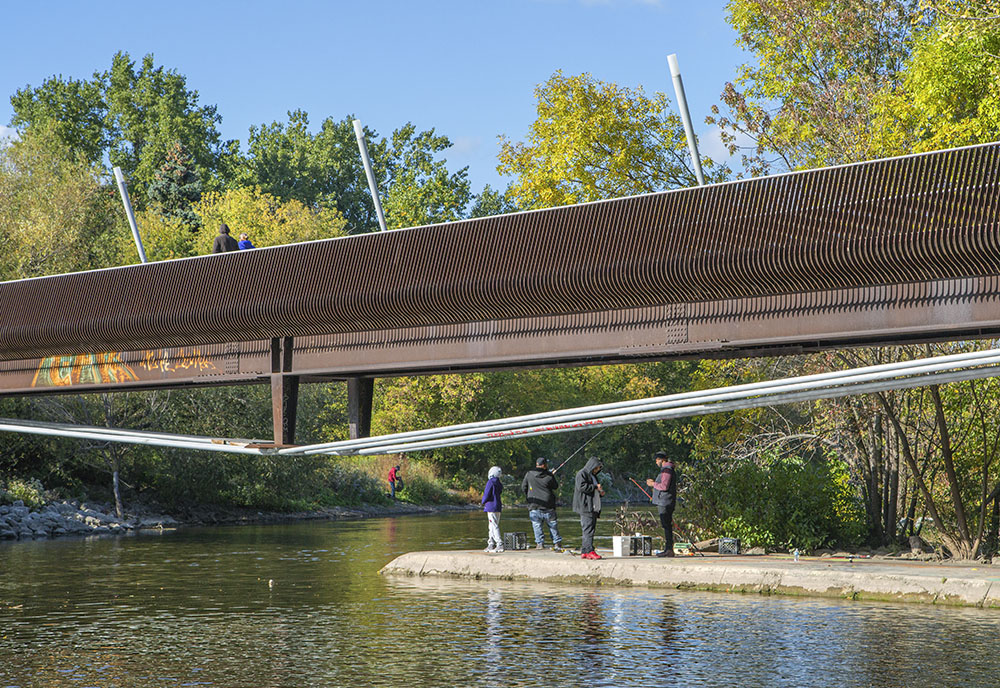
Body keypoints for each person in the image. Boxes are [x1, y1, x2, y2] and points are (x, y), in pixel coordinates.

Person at [521, 456, 563, 551]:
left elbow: (523, 487)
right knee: (552, 525)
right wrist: (551, 475)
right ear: (544, 465)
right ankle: (556, 543)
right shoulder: (549, 476)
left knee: (537, 525)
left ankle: (539, 544)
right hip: (548, 505)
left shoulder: (529, 474)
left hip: (534, 505)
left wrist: (529, 496)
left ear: (537, 464)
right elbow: (555, 486)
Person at [646, 450, 677, 558]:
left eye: (657, 460)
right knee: (666, 525)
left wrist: (653, 484)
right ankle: (668, 549)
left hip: (665, 502)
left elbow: (664, 486)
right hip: (665, 501)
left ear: (662, 460)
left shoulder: (667, 470)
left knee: (666, 525)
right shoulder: (667, 469)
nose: (656, 462)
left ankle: (669, 550)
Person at [573, 456, 605, 560]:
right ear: (592, 466)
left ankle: (585, 550)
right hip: (585, 506)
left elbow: (593, 490)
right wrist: (595, 487)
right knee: (588, 529)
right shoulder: (582, 474)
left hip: (593, 506)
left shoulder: (593, 476)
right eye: (596, 468)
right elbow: (582, 487)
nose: (597, 470)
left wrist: (600, 492)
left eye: (599, 469)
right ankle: (590, 550)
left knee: (589, 529)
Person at [482, 466, 504, 553]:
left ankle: (499, 544)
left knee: (493, 525)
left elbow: (486, 494)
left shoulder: (490, 482)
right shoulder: (499, 483)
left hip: (491, 507)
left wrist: (483, 501)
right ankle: (491, 544)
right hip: (498, 506)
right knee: (492, 525)